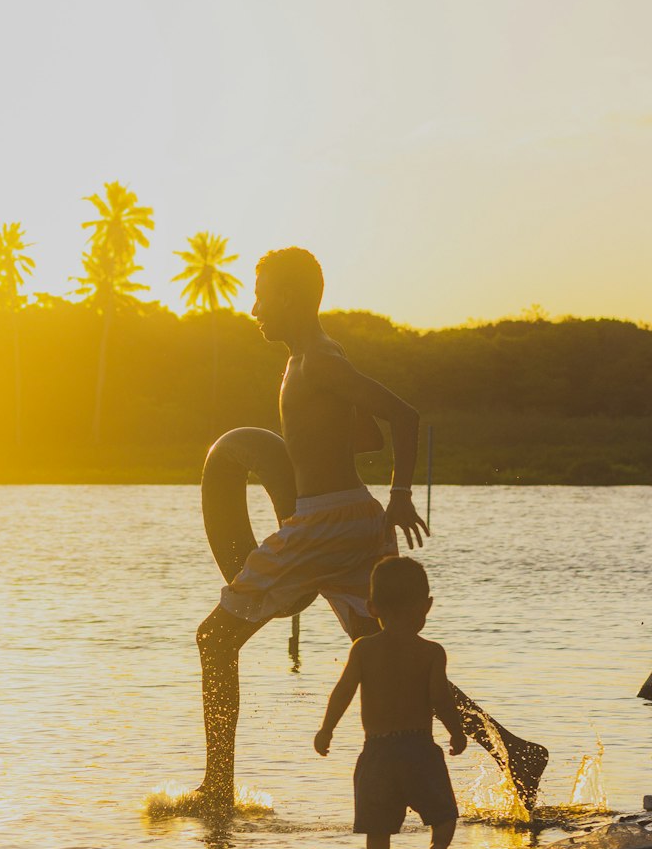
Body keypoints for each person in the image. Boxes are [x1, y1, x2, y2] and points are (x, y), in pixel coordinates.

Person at [194, 247, 546, 812]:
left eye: (260, 293)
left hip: (325, 521)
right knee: (386, 652)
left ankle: (217, 790)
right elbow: (367, 439)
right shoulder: (313, 359)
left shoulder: (319, 361)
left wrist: (401, 495)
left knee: (214, 641)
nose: (253, 305)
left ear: (288, 296)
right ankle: (515, 753)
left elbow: (403, 416)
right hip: (350, 521)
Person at [314, 555, 466, 849]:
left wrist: (326, 729)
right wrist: (457, 732)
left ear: (370, 607)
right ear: (426, 606)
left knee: (377, 829)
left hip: (377, 753)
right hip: (419, 750)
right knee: (444, 815)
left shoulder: (364, 649)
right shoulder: (431, 652)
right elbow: (440, 700)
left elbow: (343, 691)